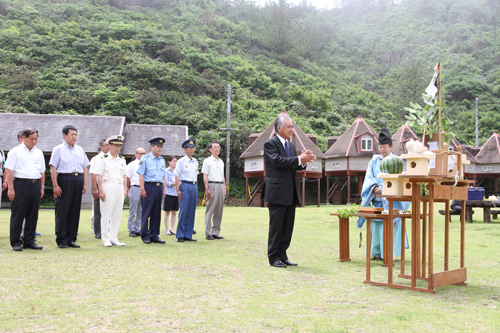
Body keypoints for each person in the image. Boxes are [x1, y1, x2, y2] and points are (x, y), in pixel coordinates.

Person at [262, 115, 316, 267]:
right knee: (276, 226)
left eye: (292, 127)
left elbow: (293, 165)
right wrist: (299, 159)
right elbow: (278, 161)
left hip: (291, 191)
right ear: (278, 128)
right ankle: (273, 257)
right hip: (277, 192)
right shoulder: (270, 144)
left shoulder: (291, 146)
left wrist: (304, 161)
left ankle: (283, 255)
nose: (292, 129)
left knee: (287, 227)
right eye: (289, 127)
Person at [356, 127, 410, 260]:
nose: (382, 149)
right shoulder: (374, 160)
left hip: (393, 202)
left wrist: (386, 189)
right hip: (377, 200)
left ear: (391, 147)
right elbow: (369, 177)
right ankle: (376, 252)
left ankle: (390, 252)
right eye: (380, 147)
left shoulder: (397, 161)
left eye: (385, 146)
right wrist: (374, 187)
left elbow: (401, 179)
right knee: (376, 225)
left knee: (391, 222)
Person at [4, 129, 45, 251]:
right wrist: (11, 188)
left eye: (36, 139)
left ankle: (29, 240)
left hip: (35, 184)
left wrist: (42, 187)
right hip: (21, 184)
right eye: (31, 139)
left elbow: (42, 171)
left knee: (33, 214)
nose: (34, 141)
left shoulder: (39, 152)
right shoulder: (15, 152)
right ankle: (16, 241)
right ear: (23, 138)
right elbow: (9, 170)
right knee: (18, 214)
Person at [49, 125, 90, 249]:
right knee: (63, 210)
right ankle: (61, 239)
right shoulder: (58, 149)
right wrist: (55, 185)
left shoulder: (80, 149)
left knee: (74, 210)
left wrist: (84, 183)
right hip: (64, 179)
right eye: (72, 134)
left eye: (76, 134)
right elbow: (53, 168)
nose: (74, 137)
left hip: (78, 178)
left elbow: (85, 167)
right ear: (64, 135)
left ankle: (71, 238)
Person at [94, 135, 128, 247]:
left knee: (117, 214)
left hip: (119, 186)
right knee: (106, 213)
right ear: (109, 146)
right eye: (115, 145)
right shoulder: (103, 159)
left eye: (120, 146)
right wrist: (101, 190)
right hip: (108, 185)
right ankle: (106, 238)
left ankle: (114, 237)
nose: (118, 148)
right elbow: (99, 176)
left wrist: (125, 188)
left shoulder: (122, 159)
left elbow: (124, 175)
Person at [136, 137, 167, 244]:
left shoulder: (162, 159)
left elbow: (163, 176)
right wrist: (142, 189)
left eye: (161, 147)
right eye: (157, 146)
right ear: (151, 147)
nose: (160, 148)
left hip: (159, 187)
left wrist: (164, 189)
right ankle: (145, 234)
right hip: (149, 187)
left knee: (156, 212)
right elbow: (141, 174)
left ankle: (154, 234)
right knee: (146, 212)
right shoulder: (145, 158)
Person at [174, 139, 199, 242]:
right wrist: (178, 190)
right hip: (185, 185)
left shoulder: (195, 161)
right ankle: (180, 234)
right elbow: (176, 175)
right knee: (184, 210)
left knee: (191, 211)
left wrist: (196, 186)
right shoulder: (181, 161)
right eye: (190, 148)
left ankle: (188, 234)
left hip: (193, 186)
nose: (192, 149)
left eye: (193, 148)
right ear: (185, 149)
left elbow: (196, 175)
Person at [202, 142, 226, 240]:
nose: (217, 149)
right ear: (210, 150)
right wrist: (207, 188)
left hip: (220, 185)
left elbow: (222, 176)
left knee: (219, 210)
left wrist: (224, 188)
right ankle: (208, 233)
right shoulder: (207, 161)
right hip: (212, 184)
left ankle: (216, 232)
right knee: (210, 209)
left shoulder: (221, 161)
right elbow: (205, 175)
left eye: (218, 147)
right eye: (215, 147)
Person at [89, 138, 109, 239]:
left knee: (108, 209)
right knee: (98, 210)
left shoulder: (110, 158)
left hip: (108, 185)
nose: (108, 147)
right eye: (106, 145)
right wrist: (95, 189)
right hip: (97, 185)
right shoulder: (96, 159)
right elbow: (93, 174)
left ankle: (107, 230)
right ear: (101, 147)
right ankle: (98, 231)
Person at [126, 147, 146, 237]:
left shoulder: (146, 163)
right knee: (133, 210)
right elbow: (128, 178)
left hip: (144, 188)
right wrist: (128, 188)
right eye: (140, 153)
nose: (142, 155)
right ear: (136, 154)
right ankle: (131, 229)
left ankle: (137, 228)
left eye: (144, 153)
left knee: (141, 210)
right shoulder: (132, 164)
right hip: (135, 187)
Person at [163, 156, 178, 236]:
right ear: (169, 162)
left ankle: (172, 228)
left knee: (174, 212)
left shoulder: (177, 171)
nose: (175, 163)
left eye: (176, 161)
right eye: (173, 161)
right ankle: (167, 229)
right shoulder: (166, 171)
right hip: (169, 193)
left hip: (176, 193)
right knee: (167, 212)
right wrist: (173, 184)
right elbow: (166, 182)